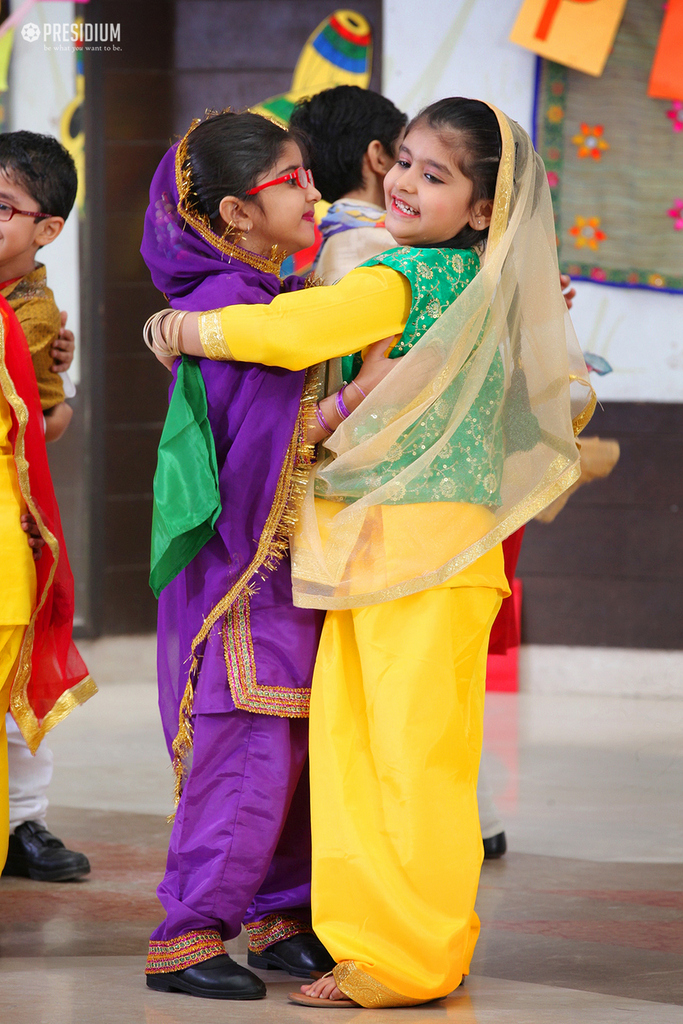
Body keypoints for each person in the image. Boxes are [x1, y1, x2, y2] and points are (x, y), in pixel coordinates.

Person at [148, 97, 594, 1007]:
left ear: (481, 208)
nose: (401, 182)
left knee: (392, 765)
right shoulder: (489, 282)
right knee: (388, 760)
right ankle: (369, 942)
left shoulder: (402, 278)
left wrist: (180, 332)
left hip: (399, 554)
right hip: (420, 556)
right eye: (405, 163)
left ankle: (394, 960)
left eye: (436, 175)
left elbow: (299, 335)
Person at [139, 111, 395, 1001]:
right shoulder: (229, 306)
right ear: (238, 214)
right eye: (289, 179)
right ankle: (189, 933)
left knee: (291, 746)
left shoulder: (261, 294)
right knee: (248, 748)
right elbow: (262, 449)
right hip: (252, 568)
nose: (313, 192)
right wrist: (357, 394)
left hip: (288, 556)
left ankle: (281, 916)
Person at [0, 130, 93, 868]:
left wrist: (56, 402)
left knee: (15, 675)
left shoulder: (31, 316)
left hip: (14, 516)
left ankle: (23, 821)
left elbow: (49, 422)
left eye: (1, 207)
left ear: (47, 230)